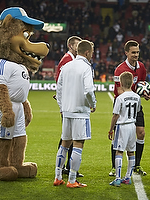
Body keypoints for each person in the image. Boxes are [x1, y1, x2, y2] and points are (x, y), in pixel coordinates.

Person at [54, 40, 96, 188]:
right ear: (87, 52)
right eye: (91, 52)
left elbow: (58, 89)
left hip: (67, 111)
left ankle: (58, 177)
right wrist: (93, 104)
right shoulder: (86, 67)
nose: (92, 55)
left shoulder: (66, 66)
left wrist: (62, 106)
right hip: (80, 112)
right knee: (78, 144)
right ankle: (72, 180)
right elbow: (89, 90)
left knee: (65, 144)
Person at [109, 40, 150, 177]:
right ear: (126, 52)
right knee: (117, 136)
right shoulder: (119, 69)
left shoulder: (142, 67)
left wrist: (145, 93)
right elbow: (119, 91)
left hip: (135, 104)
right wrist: (135, 95)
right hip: (122, 105)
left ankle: (137, 164)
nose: (136, 55)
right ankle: (114, 167)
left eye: (137, 52)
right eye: (133, 52)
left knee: (141, 133)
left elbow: (142, 84)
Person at [54, 36, 83, 177]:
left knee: (69, 136)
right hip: (69, 104)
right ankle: (67, 167)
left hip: (68, 102)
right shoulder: (67, 59)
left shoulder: (70, 59)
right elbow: (60, 80)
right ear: (71, 46)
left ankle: (66, 167)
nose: (80, 47)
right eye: (77, 45)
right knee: (69, 137)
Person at [108, 71, 141, 186]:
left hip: (122, 126)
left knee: (119, 151)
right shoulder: (137, 97)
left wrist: (111, 129)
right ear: (132, 83)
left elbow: (115, 115)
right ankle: (127, 177)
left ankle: (117, 178)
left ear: (121, 83)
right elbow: (137, 111)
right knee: (131, 152)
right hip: (133, 126)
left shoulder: (120, 98)